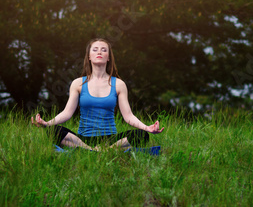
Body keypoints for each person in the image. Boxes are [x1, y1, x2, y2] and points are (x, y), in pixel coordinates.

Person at [31, 38, 164, 151]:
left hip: (111, 140)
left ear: (108, 57)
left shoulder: (119, 84)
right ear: (89, 56)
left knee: (142, 135)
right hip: (83, 139)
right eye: (95, 49)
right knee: (52, 131)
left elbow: (128, 116)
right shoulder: (78, 83)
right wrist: (47, 123)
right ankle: (93, 151)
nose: (99, 52)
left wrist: (147, 127)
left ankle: (98, 151)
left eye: (104, 50)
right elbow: (67, 113)